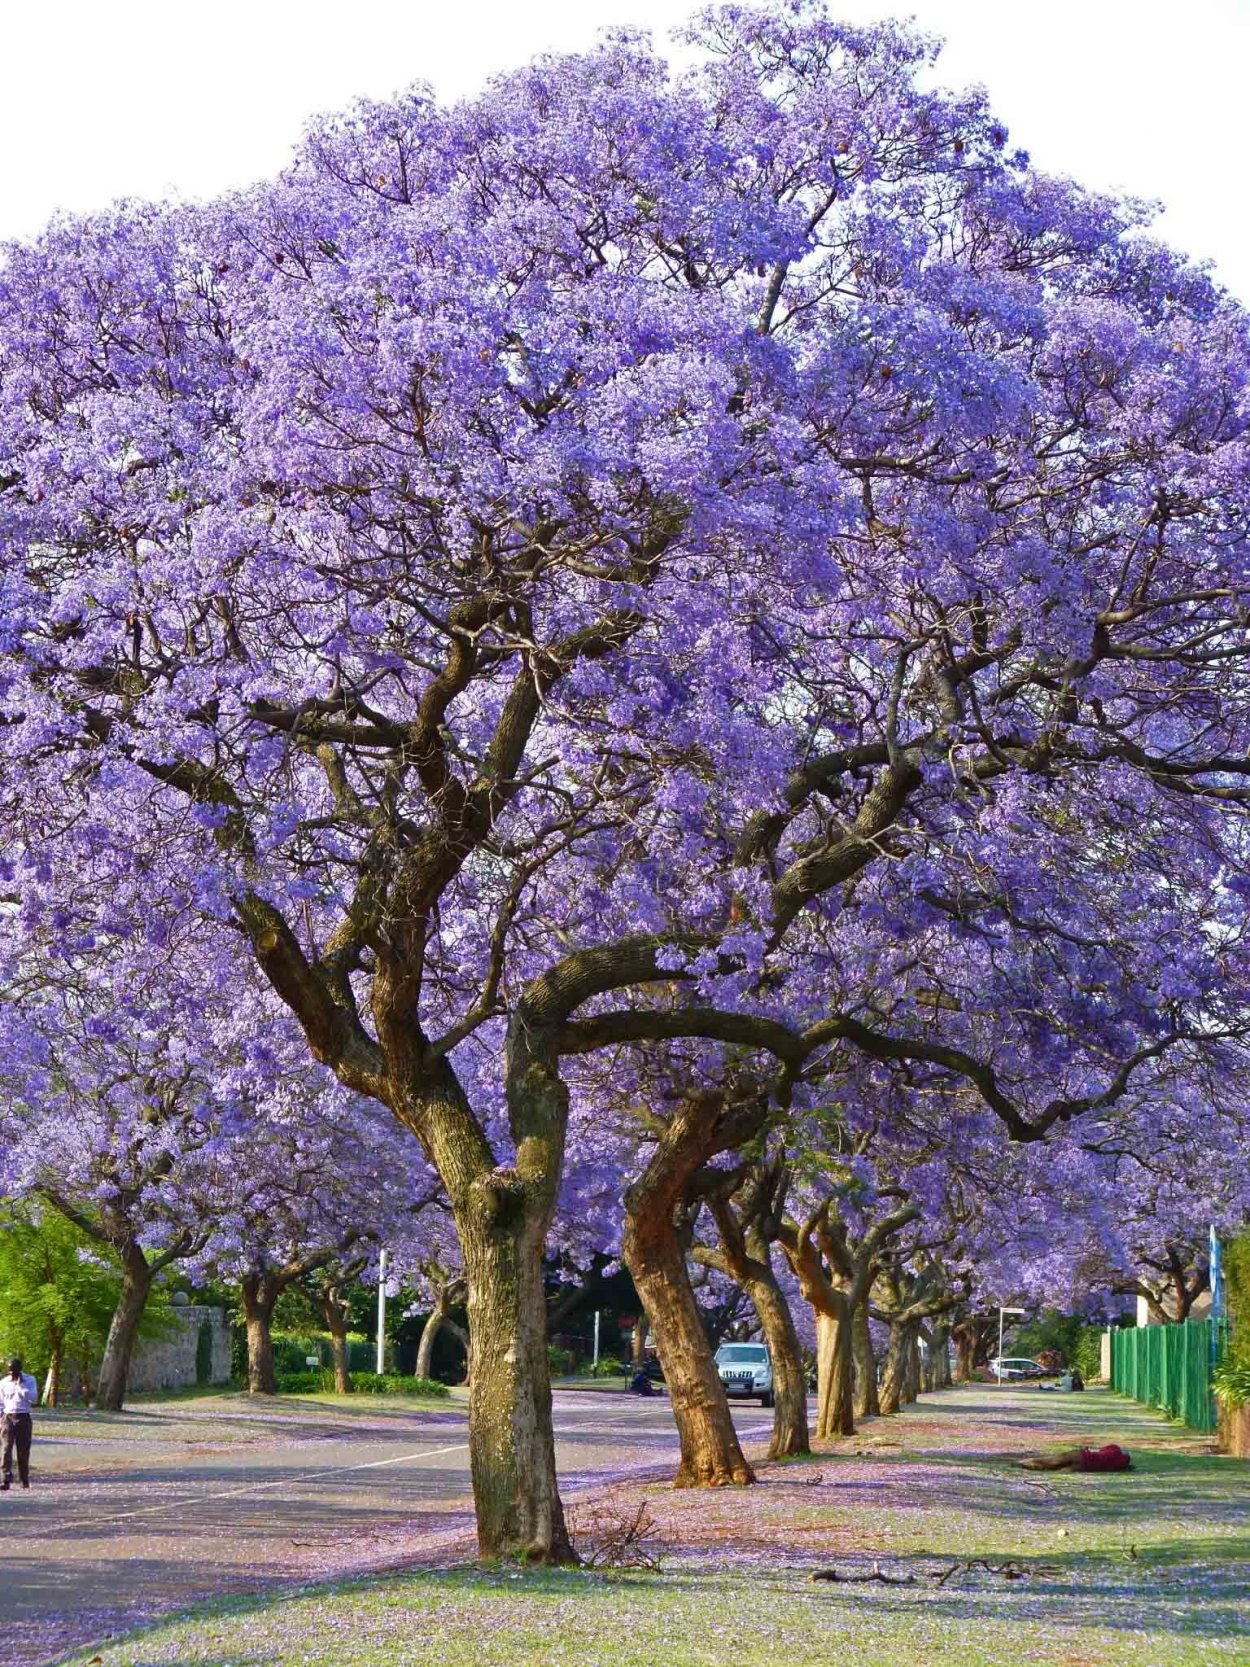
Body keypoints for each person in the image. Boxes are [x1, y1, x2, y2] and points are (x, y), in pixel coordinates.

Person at [0, 1357, 37, 1491]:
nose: (12, 1374)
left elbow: (33, 1398)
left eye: (14, 1372)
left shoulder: (30, 1380)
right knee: (6, 1449)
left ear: (20, 1370)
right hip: (8, 1417)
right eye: (10, 1372)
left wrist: (21, 1387)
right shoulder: (3, 1383)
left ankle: (24, 1479)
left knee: (23, 1450)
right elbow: (0, 1402)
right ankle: (6, 1479)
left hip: (23, 1417)